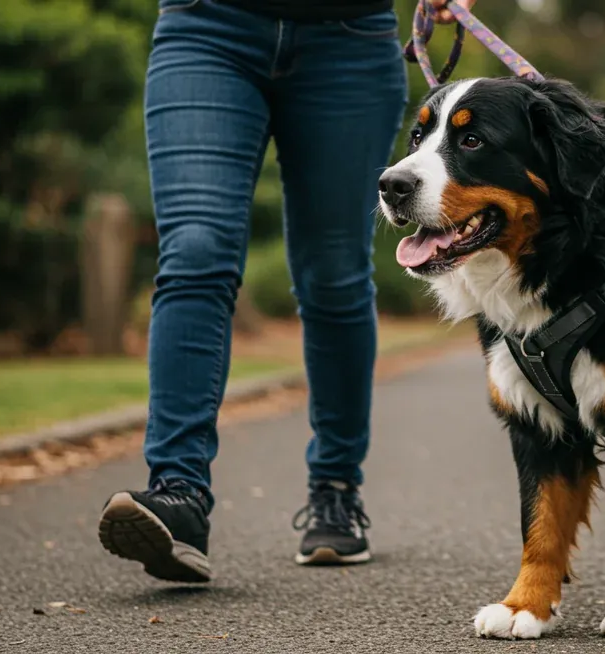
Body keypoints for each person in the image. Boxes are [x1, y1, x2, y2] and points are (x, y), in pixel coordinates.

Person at [96, 0, 473, 583]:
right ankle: (178, 492)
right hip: (206, 27)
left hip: (348, 39)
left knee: (333, 274)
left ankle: (335, 489)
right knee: (195, 251)